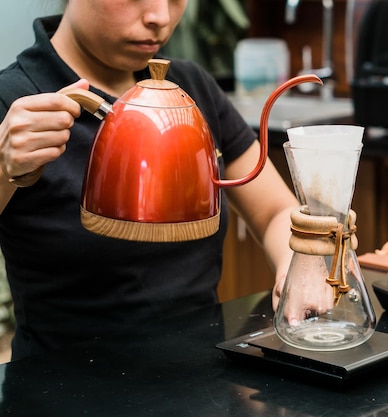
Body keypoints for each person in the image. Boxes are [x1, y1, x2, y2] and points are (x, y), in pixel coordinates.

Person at [0, 0, 298, 360]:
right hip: (60, 388)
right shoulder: (14, 102)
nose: (160, 17)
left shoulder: (191, 88)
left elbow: (276, 212)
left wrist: (297, 268)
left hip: (202, 382)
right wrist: (3, 169)